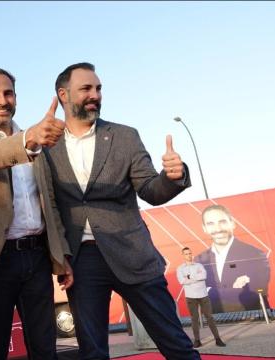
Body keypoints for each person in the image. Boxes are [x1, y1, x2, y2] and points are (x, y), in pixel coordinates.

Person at [37, 62, 200, 359]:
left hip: (133, 253)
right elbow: (50, 210)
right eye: (86, 88)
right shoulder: (46, 148)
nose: (95, 95)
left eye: (98, 89)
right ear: (63, 94)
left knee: (175, 344)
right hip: (82, 261)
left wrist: (173, 178)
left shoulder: (125, 136)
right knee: (93, 352)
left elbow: (150, 189)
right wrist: (61, 260)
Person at [0, 67, 74, 360]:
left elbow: (49, 204)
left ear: (16, 98)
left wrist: (62, 257)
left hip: (36, 258)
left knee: (45, 347)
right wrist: (28, 141)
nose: (1, 100)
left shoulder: (37, 142)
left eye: (7, 93)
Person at [196, 204, 270, 313]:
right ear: (204, 228)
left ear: (233, 223)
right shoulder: (199, 260)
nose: (218, 229)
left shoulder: (255, 254)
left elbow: (256, 292)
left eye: (222, 222)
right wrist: (234, 290)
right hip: (218, 319)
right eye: (211, 224)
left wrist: (210, 291)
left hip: (251, 316)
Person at [177, 247, 226, 348]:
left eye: (190, 253)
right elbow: (182, 281)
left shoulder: (199, 265)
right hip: (190, 296)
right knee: (194, 319)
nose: (189, 255)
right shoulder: (180, 269)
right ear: (183, 255)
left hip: (203, 295)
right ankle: (197, 340)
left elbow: (203, 276)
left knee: (210, 317)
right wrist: (195, 277)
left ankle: (218, 339)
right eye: (186, 254)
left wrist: (189, 277)